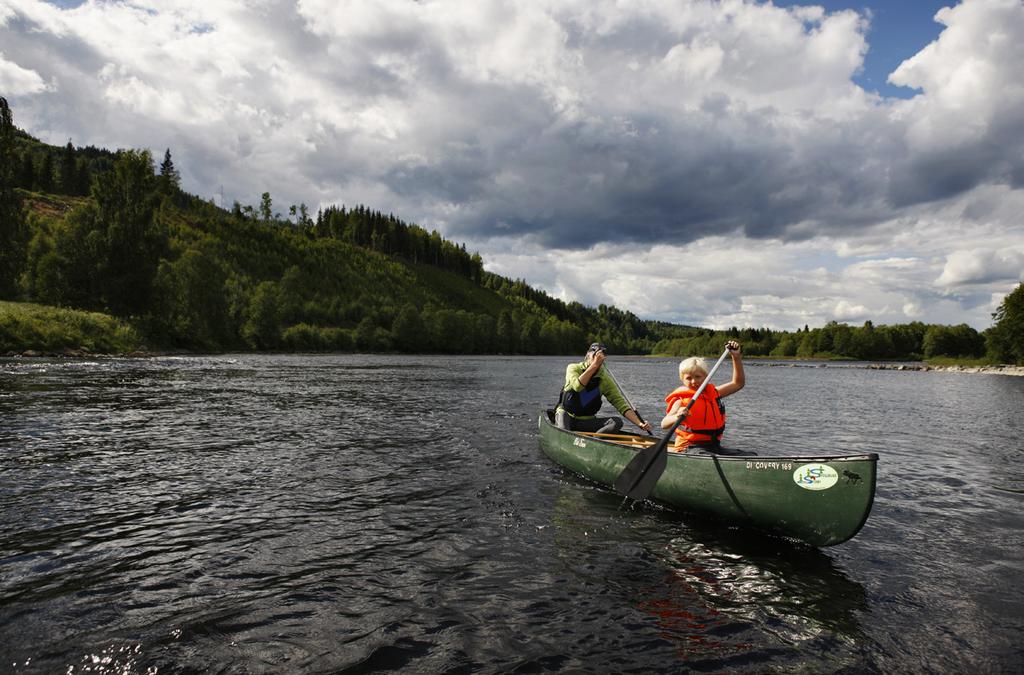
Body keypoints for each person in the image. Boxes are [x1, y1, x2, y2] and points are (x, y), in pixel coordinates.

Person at [660, 340, 753, 455]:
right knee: (710, 457)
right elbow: (664, 424)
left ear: (706, 377)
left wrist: (736, 357)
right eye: (689, 378)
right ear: (682, 379)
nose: (693, 381)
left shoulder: (714, 393)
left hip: (713, 446)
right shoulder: (680, 401)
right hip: (689, 447)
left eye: (698, 377)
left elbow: (738, 383)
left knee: (750, 455)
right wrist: (677, 416)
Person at [555, 343, 653, 435]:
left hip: (587, 421)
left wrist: (640, 423)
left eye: (601, 355)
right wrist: (594, 365)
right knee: (563, 425)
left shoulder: (604, 378)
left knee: (616, 422)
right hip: (567, 416)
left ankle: (595, 440)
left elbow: (620, 404)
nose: (598, 358)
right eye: (595, 354)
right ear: (588, 355)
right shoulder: (573, 368)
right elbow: (577, 387)